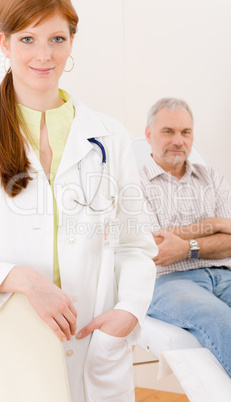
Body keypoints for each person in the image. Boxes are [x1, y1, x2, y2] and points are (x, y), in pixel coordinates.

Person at [0, 1, 157, 401]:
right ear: (4, 43)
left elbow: (135, 243)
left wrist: (129, 311)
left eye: (57, 38)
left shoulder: (109, 136)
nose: (44, 54)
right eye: (27, 39)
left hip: (93, 340)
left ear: (71, 43)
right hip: (13, 339)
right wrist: (19, 278)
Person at [139, 97, 231, 402]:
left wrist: (186, 246)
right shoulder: (135, 183)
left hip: (224, 278)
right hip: (166, 282)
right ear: (149, 135)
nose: (178, 141)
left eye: (186, 132)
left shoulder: (211, 178)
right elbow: (154, 248)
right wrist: (213, 224)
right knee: (217, 318)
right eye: (168, 131)